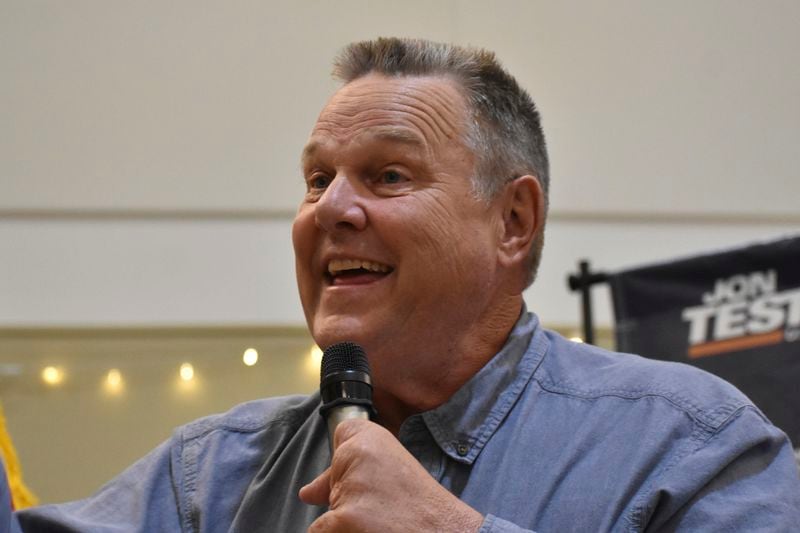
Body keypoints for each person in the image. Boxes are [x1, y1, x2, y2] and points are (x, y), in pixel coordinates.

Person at [16, 37, 800, 532]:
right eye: (317, 179)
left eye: (387, 175)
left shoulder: (687, 442)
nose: (332, 208)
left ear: (513, 222)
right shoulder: (213, 477)